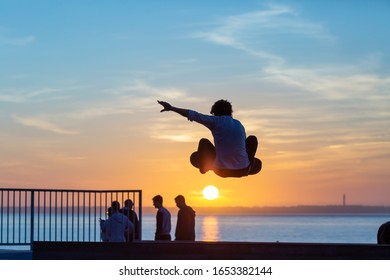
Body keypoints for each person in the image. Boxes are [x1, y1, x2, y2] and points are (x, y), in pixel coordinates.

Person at [157, 100, 262, 178]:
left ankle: (204, 167)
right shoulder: (239, 124)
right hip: (243, 170)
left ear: (215, 113)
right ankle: (250, 164)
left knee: (203, 143)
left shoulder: (215, 121)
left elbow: (193, 114)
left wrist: (171, 108)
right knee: (252, 139)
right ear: (230, 112)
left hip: (221, 171)